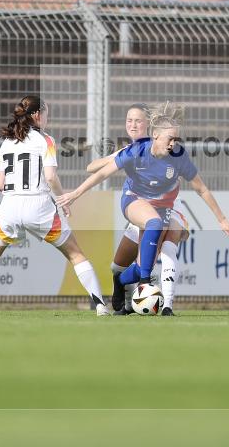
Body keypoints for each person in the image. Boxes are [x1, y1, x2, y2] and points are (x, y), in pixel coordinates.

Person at [58, 102, 229, 309]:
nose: (174, 143)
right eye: (170, 139)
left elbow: (202, 189)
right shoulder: (136, 151)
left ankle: (121, 281)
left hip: (163, 208)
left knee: (142, 264)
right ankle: (145, 285)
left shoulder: (179, 157)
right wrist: (76, 193)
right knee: (154, 224)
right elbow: (101, 172)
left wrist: (222, 219)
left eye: (176, 139)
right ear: (155, 135)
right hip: (135, 200)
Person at [0, 95, 109, 317]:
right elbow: (51, 177)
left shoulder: (6, 142)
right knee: (75, 255)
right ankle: (100, 305)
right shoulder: (46, 140)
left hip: (10, 206)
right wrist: (63, 200)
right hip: (40, 206)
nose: (47, 119)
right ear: (36, 115)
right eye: (46, 114)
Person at [87, 103, 189, 315]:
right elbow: (92, 167)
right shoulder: (132, 150)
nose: (133, 125)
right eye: (129, 120)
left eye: (138, 120)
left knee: (160, 256)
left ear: (149, 126)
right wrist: (117, 157)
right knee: (118, 266)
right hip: (141, 209)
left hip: (163, 208)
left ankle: (164, 305)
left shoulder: (161, 145)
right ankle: (127, 293)